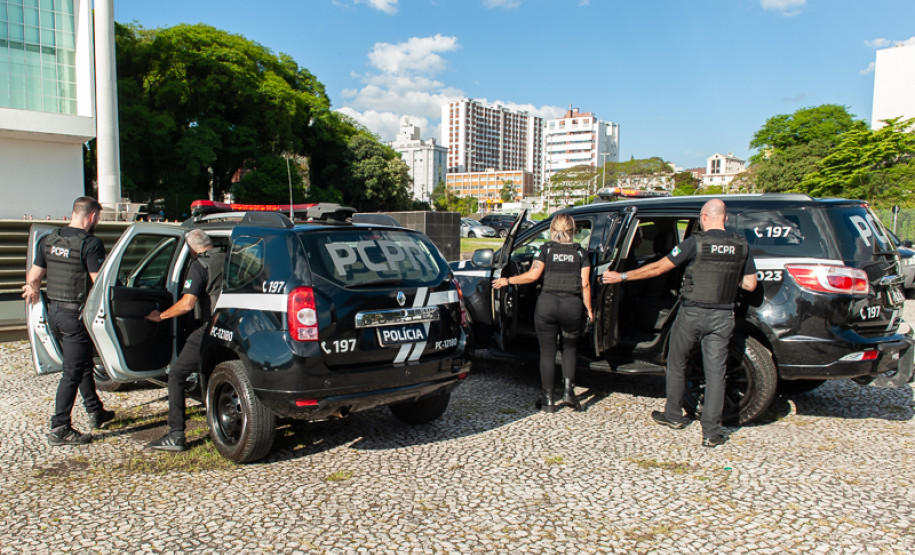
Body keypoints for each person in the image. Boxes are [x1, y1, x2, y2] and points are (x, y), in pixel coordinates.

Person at [602, 198, 757, 447]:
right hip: (722, 316)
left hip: (692, 313)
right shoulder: (741, 246)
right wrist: (725, 279)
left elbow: (659, 268)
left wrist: (622, 276)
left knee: (677, 363)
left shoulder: (695, 242)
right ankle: (711, 433)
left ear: (704, 217)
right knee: (716, 374)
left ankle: (673, 415)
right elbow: (750, 284)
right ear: (725, 218)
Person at [22, 196, 115, 446]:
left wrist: (32, 289)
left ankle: (95, 410)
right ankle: (60, 427)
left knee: (81, 364)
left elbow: (34, 276)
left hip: (55, 314)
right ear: (93, 216)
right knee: (72, 372)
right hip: (75, 316)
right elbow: (98, 282)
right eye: (98, 218)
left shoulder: (49, 240)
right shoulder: (91, 244)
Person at [493, 214, 593, 412]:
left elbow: (533, 276)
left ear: (552, 230)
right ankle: (568, 393)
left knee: (547, 352)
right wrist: (589, 310)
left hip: (547, 305)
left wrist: (508, 280)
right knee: (569, 349)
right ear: (573, 230)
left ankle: (548, 400)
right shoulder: (580, 253)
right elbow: (585, 285)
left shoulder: (545, 250)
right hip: (572, 306)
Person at [145, 229, 221, 452]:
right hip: (234, 326)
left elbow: (187, 304)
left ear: (191, 250)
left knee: (177, 374)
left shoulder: (199, 265)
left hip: (211, 328)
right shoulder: (229, 259)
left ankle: (176, 434)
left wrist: (161, 316)